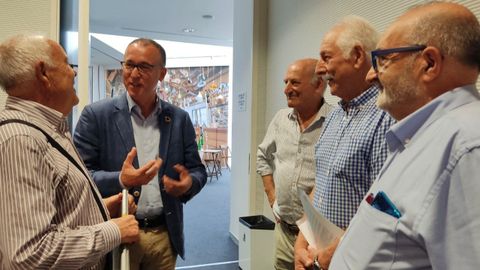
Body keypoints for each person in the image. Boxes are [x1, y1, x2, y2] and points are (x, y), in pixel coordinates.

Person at [329, 2, 480, 269]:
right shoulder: (423, 134)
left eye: (384, 60)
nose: (371, 74)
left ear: (429, 64)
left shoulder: (467, 147)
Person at [0, 34, 139, 269]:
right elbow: (29, 254)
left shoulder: (48, 130)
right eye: (67, 64)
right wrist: (113, 230)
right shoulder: (21, 140)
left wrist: (99, 209)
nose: (74, 72)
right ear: (43, 73)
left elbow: (55, 218)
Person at [73, 38, 207, 270]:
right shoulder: (96, 116)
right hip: (118, 232)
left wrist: (188, 185)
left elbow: (197, 171)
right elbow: (79, 177)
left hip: (165, 235)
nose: (134, 74)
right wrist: (120, 180)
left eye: (144, 67)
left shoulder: (178, 119)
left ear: (162, 73)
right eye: (128, 65)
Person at [294, 16, 395, 269]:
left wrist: (329, 256)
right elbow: (321, 183)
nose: (318, 68)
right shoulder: (336, 114)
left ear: (358, 56)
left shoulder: (386, 117)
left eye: (326, 58)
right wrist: (302, 242)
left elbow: (384, 209)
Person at [257, 58, 333, 269]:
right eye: (285, 82)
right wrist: (272, 198)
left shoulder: (335, 121)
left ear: (319, 85)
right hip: (284, 231)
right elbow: (262, 155)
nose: (286, 89)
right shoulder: (281, 119)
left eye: (295, 83)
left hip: (315, 238)